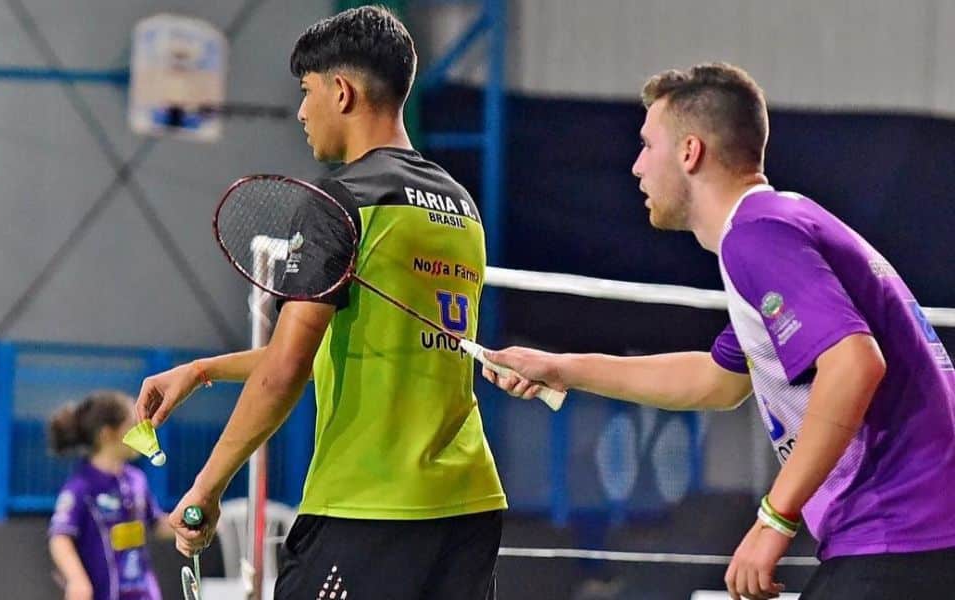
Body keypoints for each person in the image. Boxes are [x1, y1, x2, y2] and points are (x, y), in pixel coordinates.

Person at [481, 62, 955, 600]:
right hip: (919, 531)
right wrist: (561, 368)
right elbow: (718, 379)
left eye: (647, 145)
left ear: (690, 152)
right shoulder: (779, 225)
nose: (636, 166)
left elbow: (854, 363)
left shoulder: (758, 236)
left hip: (902, 533)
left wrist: (774, 517)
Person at [135, 6, 506, 600]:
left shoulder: (343, 201)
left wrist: (207, 487)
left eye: (307, 91)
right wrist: (202, 371)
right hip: (468, 509)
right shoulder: (461, 206)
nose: (302, 111)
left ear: (341, 91)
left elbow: (287, 366)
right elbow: (347, 347)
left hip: (370, 507)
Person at [48, 390, 171, 600]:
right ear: (107, 434)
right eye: (132, 426)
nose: (143, 432)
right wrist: (77, 580)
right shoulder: (80, 488)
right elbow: (60, 537)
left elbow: (156, 523)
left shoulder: (137, 479)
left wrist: (198, 522)